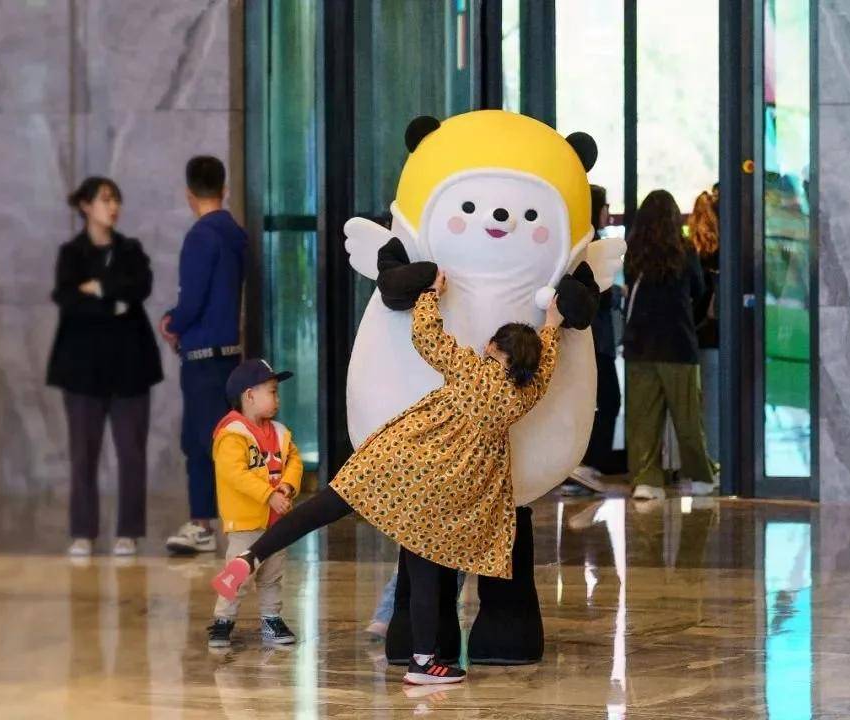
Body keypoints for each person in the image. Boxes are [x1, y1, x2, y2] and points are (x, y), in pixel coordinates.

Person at [212, 271, 565, 685]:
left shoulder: (471, 370)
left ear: (493, 347)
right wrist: (552, 326)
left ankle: (250, 557)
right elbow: (546, 370)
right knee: (426, 567)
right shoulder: (523, 396)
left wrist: (431, 294)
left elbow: (427, 336)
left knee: (324, 506)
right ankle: (423, 661)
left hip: (401, 460)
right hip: (447, 490)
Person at [47, 177, 163, 557]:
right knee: (83, 455)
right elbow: (67, 299)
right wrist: (114, 301)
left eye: (116, 200)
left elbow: (140, 287)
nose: (113, 207)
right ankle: (83, 532)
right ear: (85, 205)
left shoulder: (130, 249)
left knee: (131, 453)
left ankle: (128, 531)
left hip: (130, 367)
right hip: (82, 370)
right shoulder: (72, 253)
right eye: (105, 199)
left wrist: (97, 288)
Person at [160, 156, 248, 555]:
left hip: (201, 355)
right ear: (223, 189)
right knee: (225, 440)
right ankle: (233, 519)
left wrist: (171, 323)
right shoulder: (235, 233)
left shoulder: (201, 235)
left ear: (189, 194)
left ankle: (202, 524)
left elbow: (192, 301)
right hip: (229, 353)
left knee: (199, 442)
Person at [623, 190, 717, 501]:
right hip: (679, 344)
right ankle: (700, 477)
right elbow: (698, 290)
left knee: (643, 420)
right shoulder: (685, 250)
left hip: (640, 346)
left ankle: (646, 481)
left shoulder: (634, 252)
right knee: (688, 417)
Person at [207, 359, 303, 648]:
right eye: (272, 391)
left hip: (276, 523)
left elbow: (294, 461)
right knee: (238, 575)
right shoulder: (232, 433)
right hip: (246, 524)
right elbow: (235, 474)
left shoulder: (280, 432)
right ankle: (223, 620)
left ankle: (271, 619)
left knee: (272, 575)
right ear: (249, 395)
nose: (277, 398)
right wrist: (269, 495)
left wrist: (287, 486)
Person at [565, 184, 621, 495]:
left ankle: (582, 464)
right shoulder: (593, 247)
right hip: (597, 340)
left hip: (590, 339)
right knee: (608, 399)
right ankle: (588, 464)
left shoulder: (578, 243)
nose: (608, 212)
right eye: (605, 206)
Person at [689, 190, 720, 462]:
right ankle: (716, 456)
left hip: (696, 333)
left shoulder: (692, 250)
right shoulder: (724, 249)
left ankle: (706, 456)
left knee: (700, 401)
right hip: (718, 332)